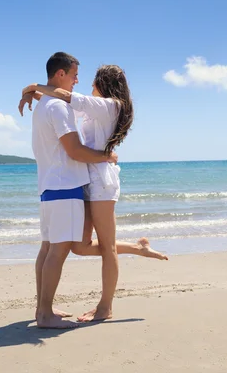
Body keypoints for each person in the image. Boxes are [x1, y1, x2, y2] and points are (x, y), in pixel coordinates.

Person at [20, 63, 168, 323]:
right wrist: (36, 95)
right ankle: (138, 247)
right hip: (84, 180)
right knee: (80, 246)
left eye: (92, 83)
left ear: (104, 84)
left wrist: (33, 87)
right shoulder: (94, 109)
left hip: (101, 181)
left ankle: (105, 307)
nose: (87, 86)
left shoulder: (111, 105)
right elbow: (59, 105)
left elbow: (65, 96)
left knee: (107, 246)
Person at [25, 52, 119, 329]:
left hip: (48, 186)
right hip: (65, 186)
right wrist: (106, 157)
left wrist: (30, 90)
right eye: (75, 74)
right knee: (58, 252)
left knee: (46, 249)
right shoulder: (58, 106)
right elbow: (75, 151)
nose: (78, 80)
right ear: (60, 74)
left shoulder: (44, 105)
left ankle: (43, 308)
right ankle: (45, 316)